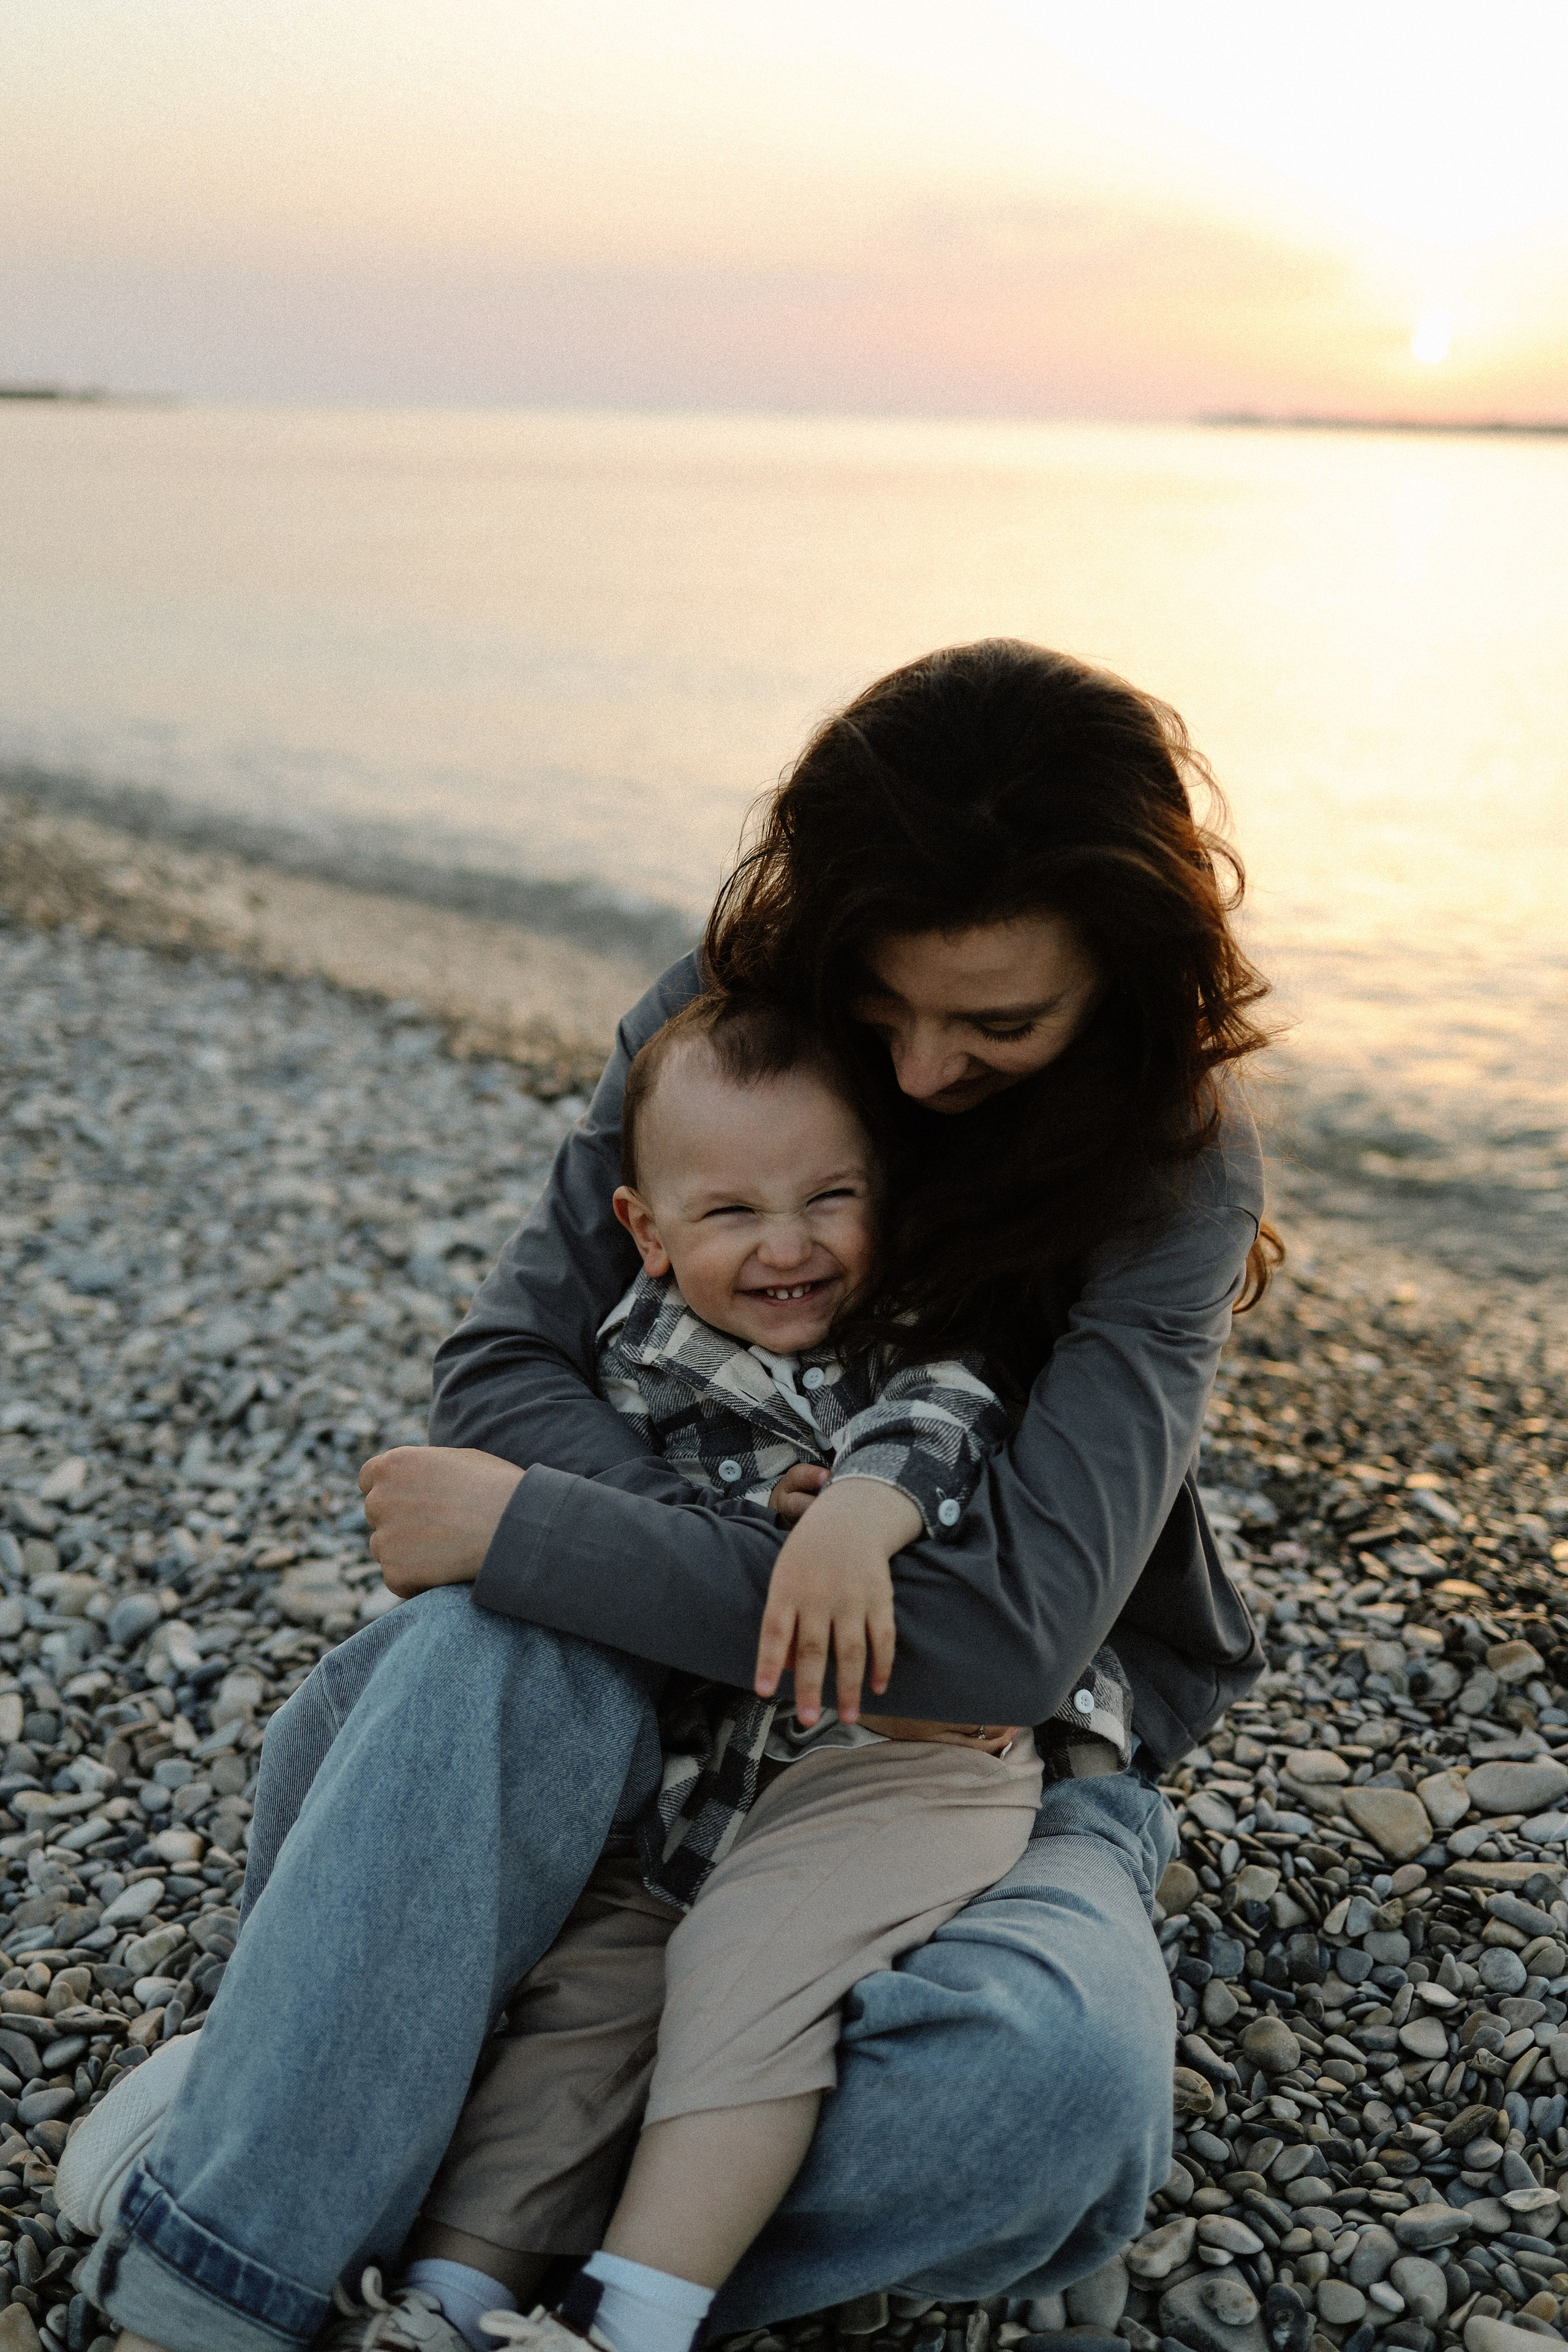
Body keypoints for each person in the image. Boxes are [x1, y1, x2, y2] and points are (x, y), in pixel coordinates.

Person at [85, 638, 1269, 2352]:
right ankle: (225, 2271)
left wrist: (542, 1532)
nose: (927, 1072)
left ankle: (375, 2128)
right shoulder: (722, 1021)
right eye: (887, 1005)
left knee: (1049, 2105)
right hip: (599, 1709)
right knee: (486, 1655)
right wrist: (695, 1555)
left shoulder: (1173, 1161)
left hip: (957, 1770)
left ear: (1129, 980)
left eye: (998, 1024)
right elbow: (502, 1371)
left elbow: (1001, 1644)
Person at [442, 987, 1074, 2352]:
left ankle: (637, 2320)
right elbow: (552, 1455)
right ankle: (453, 2287)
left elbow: (945, 1417)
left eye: (830, 1197)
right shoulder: (633, 1363)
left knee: (746, 1968)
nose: (788, 1246)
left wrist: (855, 1511)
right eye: (730, 1214)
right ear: (646, 1234)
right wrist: (723, 1524)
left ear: (885, 1196)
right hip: (699, 1785)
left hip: (899, 1769)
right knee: (588, 1999)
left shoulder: (915, 1332)